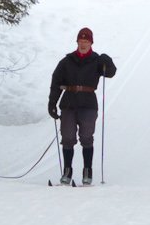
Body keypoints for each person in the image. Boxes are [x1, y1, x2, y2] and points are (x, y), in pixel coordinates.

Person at [48, 26, 116, 185]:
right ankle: (67, 172)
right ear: (77, 41)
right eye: (81, 40)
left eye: (86, 41)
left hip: (88, 104)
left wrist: (109, 61)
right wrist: (52, 103)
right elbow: (56, 82)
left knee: (86, 137)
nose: (83, 43)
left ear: (91, 43)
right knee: (68, 137)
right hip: (69, 103)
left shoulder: (97, 60)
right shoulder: (66, 61)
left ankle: (87, 171)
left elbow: (111, 73)